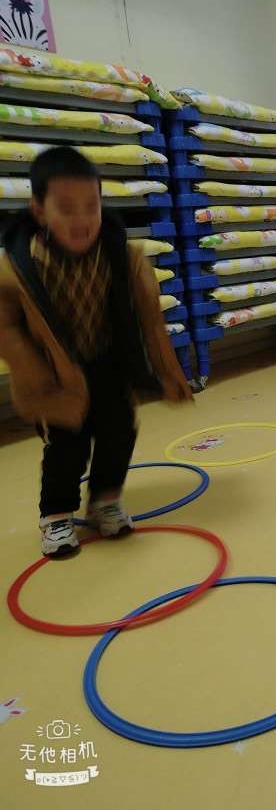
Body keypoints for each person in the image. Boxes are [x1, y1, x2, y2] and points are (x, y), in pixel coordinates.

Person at [0, 146, 192, 557]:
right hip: (57, 370)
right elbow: (6, 328)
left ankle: (106, 499)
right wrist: (34, 375)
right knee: (66, 443)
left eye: (92, 206)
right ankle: (56, 515)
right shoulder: (19, 265)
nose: (82, 220)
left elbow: (151, 320)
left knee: (119, 431)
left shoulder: (122, 255)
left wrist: (168, 371)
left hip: (108, 359)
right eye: (67, 209)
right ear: (39, 212)